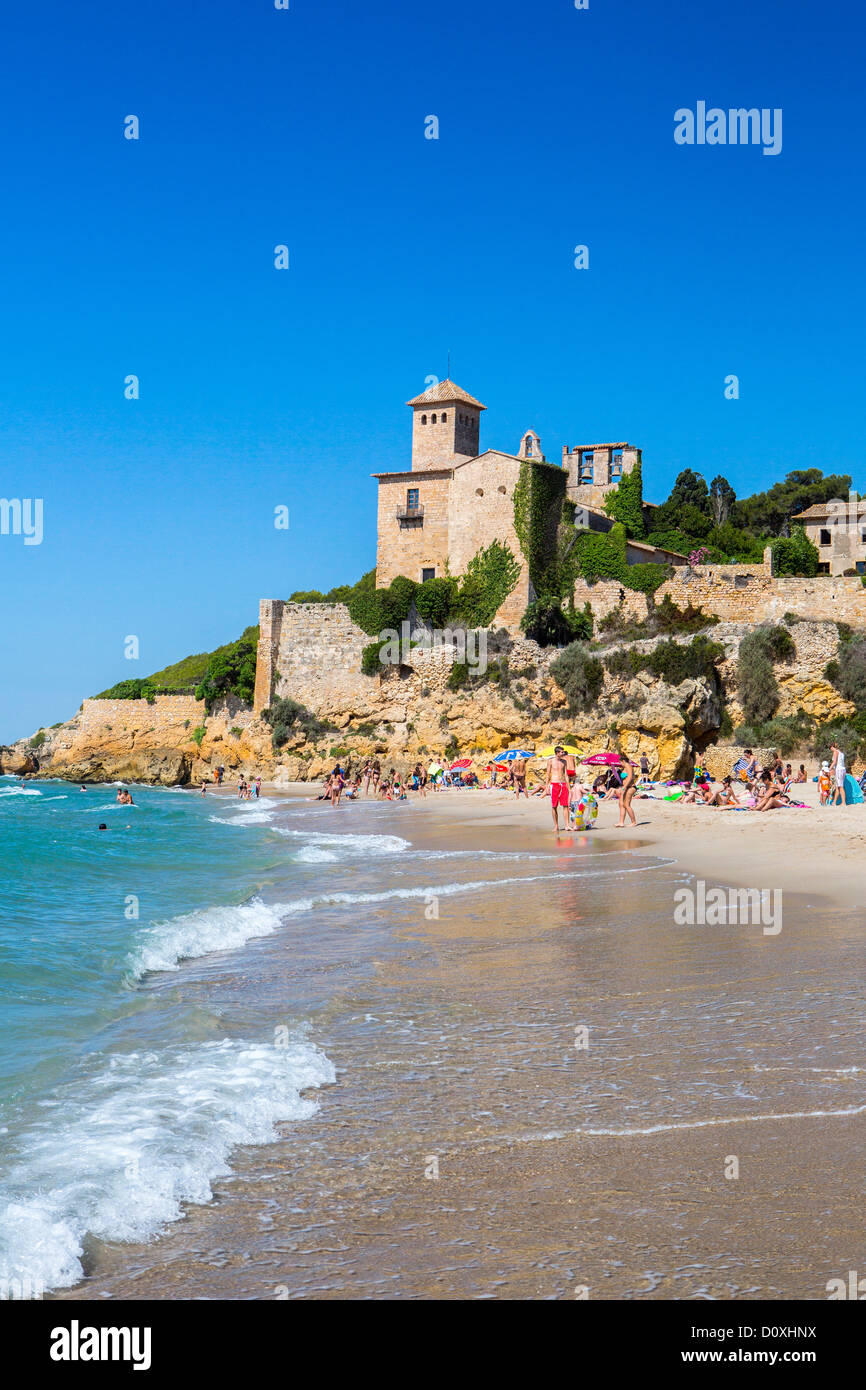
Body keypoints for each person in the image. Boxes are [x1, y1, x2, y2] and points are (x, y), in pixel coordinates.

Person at [545, 745, 570, 832]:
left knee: (566, 805)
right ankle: (556, 826)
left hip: (563, 784)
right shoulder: (550, 761)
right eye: (561, 752)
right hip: (554, 784)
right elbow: (548, 774)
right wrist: (546, 786)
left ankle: (567, 825)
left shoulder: (564, 761)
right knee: (554, 806)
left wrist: (568, 787)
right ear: (557, 753)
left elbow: (566, 775)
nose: (563, 753)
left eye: (563, 752)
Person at [615, 755, 638, 827]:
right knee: (621, 804)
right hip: (626, 787)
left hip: (630, 787)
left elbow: (630, 777)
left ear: (623, 761)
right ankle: (621, 822)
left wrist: (624, 787)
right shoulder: (624, 767)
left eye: (620, 762)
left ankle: (633, 822)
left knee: (626, 805)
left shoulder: (628, 766)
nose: (620, 764)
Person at [830, 740, 846, 806]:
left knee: (840, 787)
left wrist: (829, 768)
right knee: (837, 787)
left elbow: (834, 762)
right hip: (843, 769)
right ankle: (834, 802)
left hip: (839, 770)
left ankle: (843, 802)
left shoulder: (835, 752)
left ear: (832, 747)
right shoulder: (841, 753)